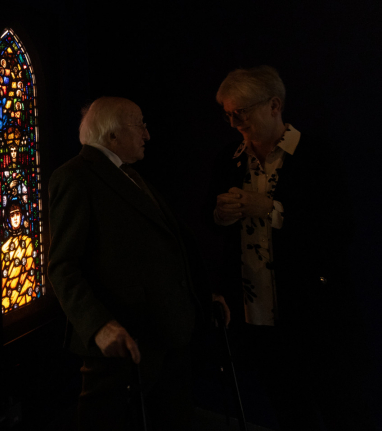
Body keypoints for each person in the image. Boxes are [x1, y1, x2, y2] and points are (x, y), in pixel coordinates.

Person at [209, 66, 370, 430]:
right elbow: (212, 227)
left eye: (241, 113)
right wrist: (220, 214)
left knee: (341, 408)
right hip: (258, 315)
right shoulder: (229, 159)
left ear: (274, 105)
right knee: (289, 409)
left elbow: (339, 230)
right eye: (228, 114)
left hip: (314, 313)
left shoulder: (316, 155)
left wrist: (270, 209)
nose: (234, 123)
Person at [48, 97, 203, 431]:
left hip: (164, 334)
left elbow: (164, 249)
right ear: (112, 134)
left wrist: (201, 294)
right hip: (123, 342)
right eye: (139, 123)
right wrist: (99, 326)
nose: (147, 134)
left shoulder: (128, 174)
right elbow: (62, 266)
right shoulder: (75, 177)